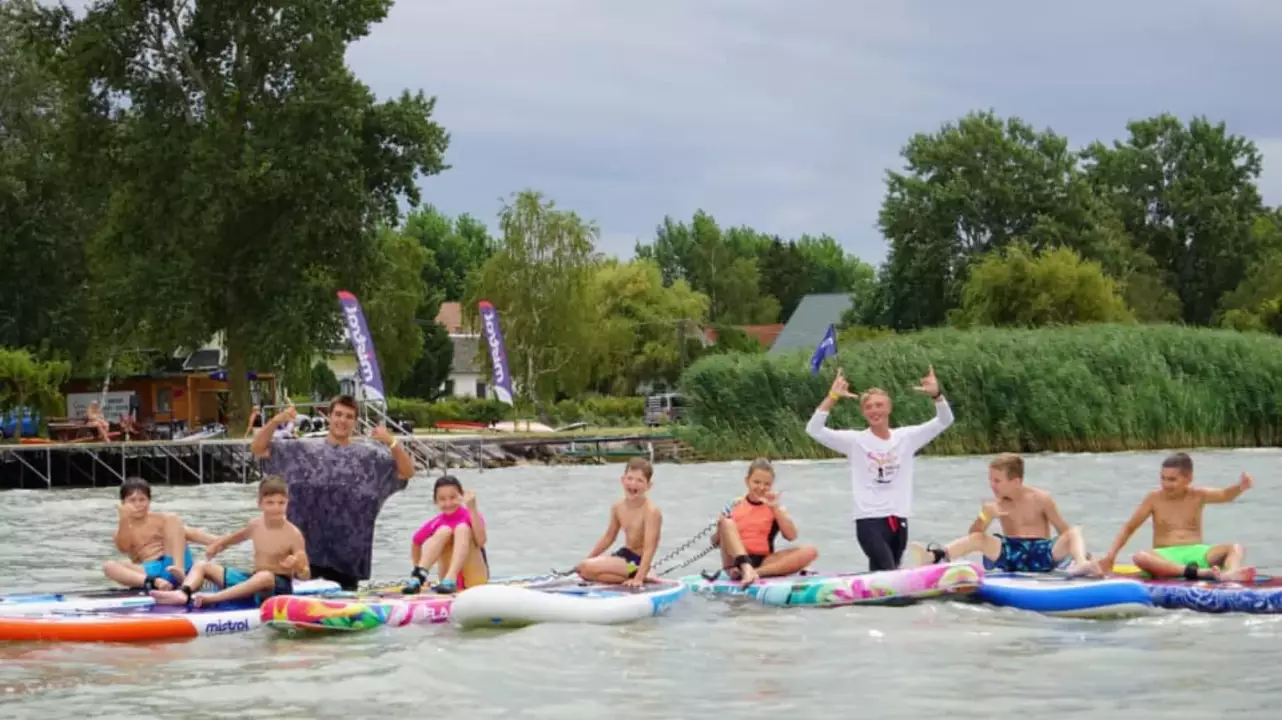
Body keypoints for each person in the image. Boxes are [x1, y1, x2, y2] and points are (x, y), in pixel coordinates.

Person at [251, 395, 416, 591]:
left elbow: (407, 472)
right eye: (338, 414)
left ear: (355, 421)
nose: (342, 420)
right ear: (329, 416)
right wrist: (277, 421)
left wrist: (392, 442)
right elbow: (258, 448)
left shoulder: (370, 459)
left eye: (348, 416)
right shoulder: (300, 450)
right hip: (301, 555)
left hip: (347, 558)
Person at [804, 365, 954, 572]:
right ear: (863, 412)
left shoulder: (907, 438)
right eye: (869, 407)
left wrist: (937, 395)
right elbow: (814, 430)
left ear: (889, 408)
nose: (875, 410)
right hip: (869, 521)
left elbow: (945, 421)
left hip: (899, 518)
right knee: (887, 570)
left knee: (885, 572)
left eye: (879, 405)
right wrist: (832, 397)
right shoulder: (855, 442)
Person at [909, 453, 1101, 576]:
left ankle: (1082, 563)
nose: (992, 485)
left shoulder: (1041, 498)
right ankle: (936, 557)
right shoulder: (996, 504)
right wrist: (985, 517)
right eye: (991, 480)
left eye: (998, 481)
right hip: (1011, 553)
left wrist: (1081, 552)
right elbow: (974, 535)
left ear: (1016, 481)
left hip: (1042, 553)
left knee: (1075, 531)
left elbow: (1063, 530)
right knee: (979, 537)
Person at [151, 476, 310, 608]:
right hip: (252, 580)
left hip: (276, 588)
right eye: (270, 503)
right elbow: (231, 539)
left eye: (281, 503)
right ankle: (183, 593)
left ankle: (211, 599)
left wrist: (297, 565)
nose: (276, 508)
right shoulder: (255, 525)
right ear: (260, 504)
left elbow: (305, 575)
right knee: (201, 565)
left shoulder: (293, 534)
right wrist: (215, 546)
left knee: (265, 576)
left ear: (288, 503)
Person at [1099, 452, 1255, 582]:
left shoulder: (1198, 495)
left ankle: (1230, 574)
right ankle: (1201, 573)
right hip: (1165, 556)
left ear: (1188, 479)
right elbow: (1129, 528)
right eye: (1163, 478)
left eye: (1172, 479)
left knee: (1235, 547)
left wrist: (1241, 486)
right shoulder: (1153, 498)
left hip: (1197, 553)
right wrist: (1110, 556)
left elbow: (1224, 495)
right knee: (1140, 557)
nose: (1166, 484)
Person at [706, 458, 818, 586]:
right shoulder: (733, 504)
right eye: (756, 482)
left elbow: (791, 536)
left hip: (764, 562)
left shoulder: (775, 507)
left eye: (767, 484)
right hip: (733, 562)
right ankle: (745, 568)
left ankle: (755, 573)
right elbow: (715, 543)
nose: (761, 487)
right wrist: (721, 528)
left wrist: (775, 508)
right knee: (727, 523)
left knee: (810, 551)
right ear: (747, 481)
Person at [103, 477, 217, 591]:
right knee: (109, 566)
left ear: (149, 501)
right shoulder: (123, 529)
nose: (138, 504)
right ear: (123, 503)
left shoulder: (164, 521)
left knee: (172, 519)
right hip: (151, 571)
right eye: (132, 500)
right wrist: (123, 519)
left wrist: (225, 541)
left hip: (174, 563)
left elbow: (202, 537)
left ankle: (179, 571)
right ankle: (153, 582)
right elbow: (124, 547)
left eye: (142, 500)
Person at [576, 457, 663, 588]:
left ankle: (643, 574)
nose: (633, 484)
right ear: (622, 480)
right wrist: (589, 558)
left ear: (648, 486)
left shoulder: (651, 512)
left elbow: (650, 547)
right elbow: (609, 537)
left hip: (637, 561)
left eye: (639, 480)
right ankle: (640, 576)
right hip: (624, 555)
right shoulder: (618, 507)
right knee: (584, 570)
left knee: (586, 567)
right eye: (630, 478)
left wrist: (639, 577)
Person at [403, 476, 490, 595]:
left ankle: (451, 578)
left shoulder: (471, 515)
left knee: (462, 528)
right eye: (442, 499)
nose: (448, 503)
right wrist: (417, 566)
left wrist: (472, 507)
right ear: (436, 501)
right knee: (444, 531)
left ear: (461, 496)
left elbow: (481, 541)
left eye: (453, 497)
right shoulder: (437, 522)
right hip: (444, 585)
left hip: (474, 581)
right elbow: (416, 542)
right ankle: (418, 577)